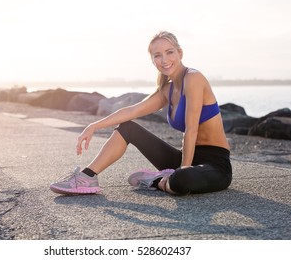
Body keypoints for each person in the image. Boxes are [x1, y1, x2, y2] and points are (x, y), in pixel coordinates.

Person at [50, 31, 232, 195]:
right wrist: (94, 126)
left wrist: (183, 168)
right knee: (128, 128)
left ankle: (157, 180)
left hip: (215, 165)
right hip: (185, 157)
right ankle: (86, 177)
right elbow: (133, 110)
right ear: (153, 61)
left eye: (169, 52)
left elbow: (191, 129)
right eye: (158, 55)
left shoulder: (193, 78)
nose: (164, 59)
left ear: (180, 53)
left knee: (182, 181)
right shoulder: (167, 90)